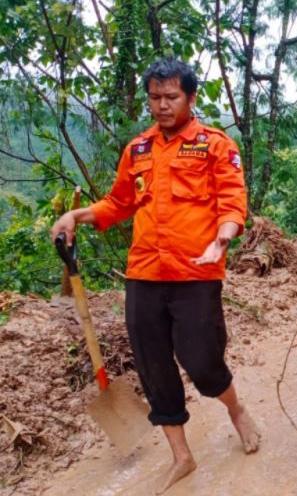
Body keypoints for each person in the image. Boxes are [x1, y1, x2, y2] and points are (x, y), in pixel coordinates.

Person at [49, 58, 259, 494]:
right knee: (153, 365)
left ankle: (235, 408)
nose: (162, 106)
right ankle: (182, 456)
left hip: (196, 274)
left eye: (171, 97)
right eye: (155, 98)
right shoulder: (138, 150)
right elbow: (117, 203)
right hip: (144, 273)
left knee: (202, 362)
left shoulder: (215, 145)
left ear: (191, 97)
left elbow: (233, 204)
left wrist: (220, 241)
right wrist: (77, 214)